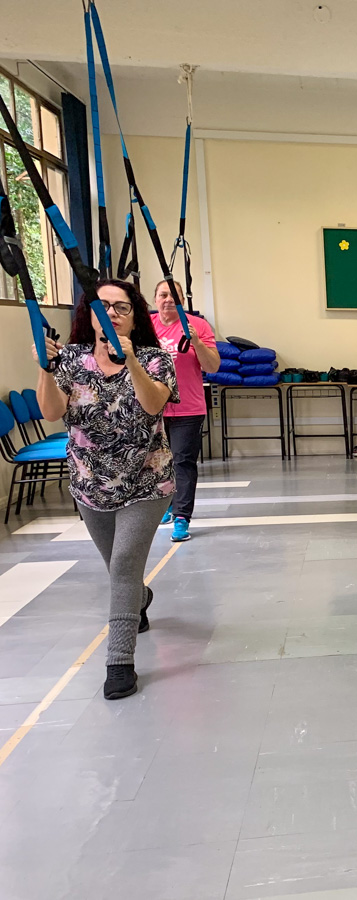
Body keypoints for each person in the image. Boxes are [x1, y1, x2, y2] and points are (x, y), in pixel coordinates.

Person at [32, 280, 177, 700]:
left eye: (122, 307)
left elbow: (153, 405)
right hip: (90, 483)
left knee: (125, 562)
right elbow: (51, 411)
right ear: (90, 315)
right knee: (119, 570)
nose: (112, 313)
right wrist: (45, 368)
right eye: (104, 306)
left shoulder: (155, 359)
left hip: (148, 480)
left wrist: (129, 360)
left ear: (135, 316)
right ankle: (139, 598)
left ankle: (119, 662)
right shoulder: (70, 360)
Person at [150, 280, 219, 542]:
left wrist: (197, 343)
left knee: (182, 462)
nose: (168, 299)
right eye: (163, 295)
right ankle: (166, 504)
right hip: (153, 407)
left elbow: (212, 367)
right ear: (155, 299)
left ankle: (182, 516)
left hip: (188, 408)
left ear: (182, 300)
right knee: (158, 462)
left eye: (174, 295)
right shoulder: (145, 327)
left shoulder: (197, 325)